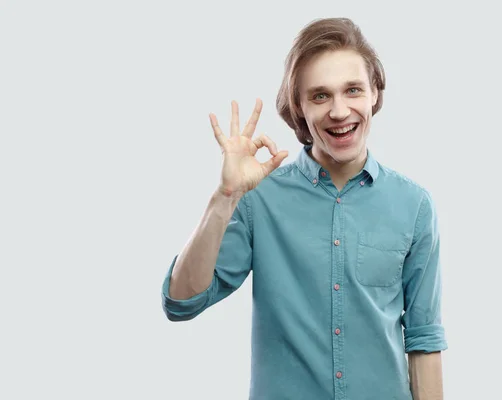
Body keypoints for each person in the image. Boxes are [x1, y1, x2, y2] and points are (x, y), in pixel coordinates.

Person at [161, 17, 448, 400]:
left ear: (375, 93)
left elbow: (423, 336)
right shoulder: (260, 199)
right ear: (299, 105)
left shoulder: (414, 205)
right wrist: (225, 196)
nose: (340, 111)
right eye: (320, 95)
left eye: (353, 90)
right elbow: (181, 302)